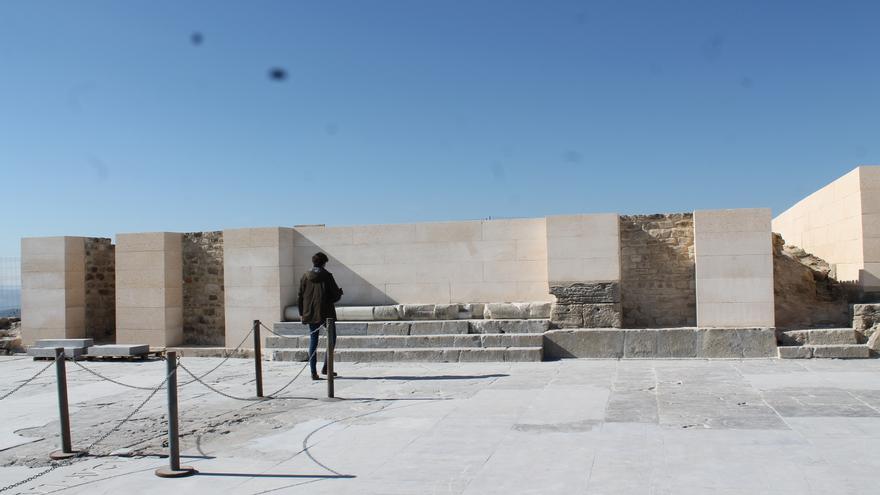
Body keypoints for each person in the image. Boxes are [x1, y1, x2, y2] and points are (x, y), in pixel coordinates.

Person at [297, 252, 343, 380]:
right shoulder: (327, 276)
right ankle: (327, 368)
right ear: (324, 263)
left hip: (310, 313)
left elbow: (300, 296)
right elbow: (334, 295)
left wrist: (301, 313)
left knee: (313, 340)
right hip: (326, 313)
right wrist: (339, 293)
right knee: (331, 339)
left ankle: (313, 372)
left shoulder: (305, 276)